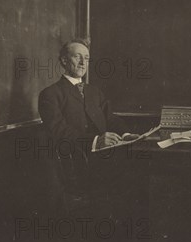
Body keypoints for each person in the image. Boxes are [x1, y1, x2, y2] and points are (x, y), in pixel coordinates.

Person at [38, 38, 138, 211]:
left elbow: (110, 118)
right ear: (64, 60)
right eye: (78, 56)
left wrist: (126, 134)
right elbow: (59, 131)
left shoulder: (94, 92)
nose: (84, 62)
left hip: (104, 160)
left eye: (87, 57)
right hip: (76, 165)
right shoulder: (50, 94)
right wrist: (95, 140)